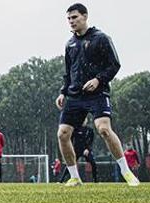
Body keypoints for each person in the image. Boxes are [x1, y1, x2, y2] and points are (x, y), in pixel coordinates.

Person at [55, 3, 139, 187]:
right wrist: (63, 92)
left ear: (85, 16)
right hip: (75, 96)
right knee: (62, 134)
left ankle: (126, 172)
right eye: (69, 18)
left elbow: (114, 64)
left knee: (103, 130)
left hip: (97, 94)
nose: (71, 21)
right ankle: (75, 177)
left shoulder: (100, 38)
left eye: (75, 17)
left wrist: (98, 80)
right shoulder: (70, 44)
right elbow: (68, 73)